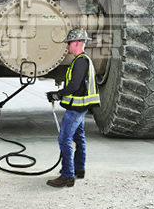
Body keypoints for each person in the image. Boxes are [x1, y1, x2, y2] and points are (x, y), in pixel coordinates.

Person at [45, 27, 100, 187]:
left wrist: (57, 94)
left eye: (69, 43)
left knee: (64, 140)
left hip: (76, 109)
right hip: (81, 107)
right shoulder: (83, 60)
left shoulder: (81, 62)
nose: (67, 46)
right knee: (79, 138)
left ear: (77, 42)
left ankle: (67, 176)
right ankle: (78, 169)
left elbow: (74, 85)